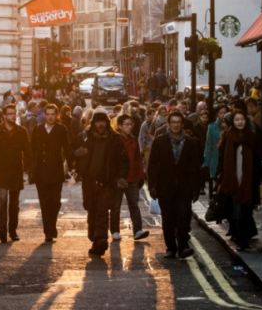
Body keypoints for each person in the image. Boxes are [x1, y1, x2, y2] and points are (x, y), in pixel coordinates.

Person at [72, 108, 128, 257]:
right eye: (98, 121)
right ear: (93, 122)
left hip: (107, 182)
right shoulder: (85, 136)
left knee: (102, 211)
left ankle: (101, 239)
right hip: (89, 181)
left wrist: (122, 177)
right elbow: (71, 149)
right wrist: (76, 154)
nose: (101, 124)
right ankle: (94, 240)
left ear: (107, 122)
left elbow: (123, 160)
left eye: (103, 121)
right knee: (92, 210)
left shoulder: (115, 138)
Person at [148, 109, 201, 259]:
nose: (176, 125)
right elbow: (152, 165)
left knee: (183, 216)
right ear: (168, 124)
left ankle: (183, 246)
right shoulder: (160, 141)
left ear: (183, 124)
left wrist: (196, 188)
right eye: (173, 122)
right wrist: (152, 185)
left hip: (184, 187)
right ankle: (171, 247)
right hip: (165, 187)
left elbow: (195, 167)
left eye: (179, 122)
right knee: (168, 219)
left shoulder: (190, 142)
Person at [0, 104, 32, 243]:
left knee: (14, 203)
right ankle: (2, 229)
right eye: (9, 114)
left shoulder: (22, 131)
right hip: (2, 170)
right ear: (4, 116)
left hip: (16, 171)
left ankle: (13, 230)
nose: (12, 116)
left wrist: (31, 171)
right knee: (2, 201)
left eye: (13, 113)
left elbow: (28, 153)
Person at [217, 109, 260, 250]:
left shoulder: (252, 137)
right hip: (233, 179)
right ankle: (240, 238)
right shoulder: (229, 137)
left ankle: (243, 235)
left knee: (247, 210)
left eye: (242, 119)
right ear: (233, 122)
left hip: (249, 180)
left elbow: (258, 159)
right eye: (237, 120)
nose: (240, 122)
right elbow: (222, 159)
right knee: (237, 210)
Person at [30, 104, 73, 242]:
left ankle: (52, 225)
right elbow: (31, 151)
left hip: (56, 170)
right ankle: (48, 231)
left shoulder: (61, 129)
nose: (50, 117)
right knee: (44, 202)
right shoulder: (37, 129)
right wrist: (30, 170)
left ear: (57, 115)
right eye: (47, 114)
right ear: (44, 115)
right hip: (41, 172)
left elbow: (66, 148)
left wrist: (72, 167)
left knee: (55, 202)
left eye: (53, 114)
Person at [114, 113, 150, 242]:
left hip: (133, 177)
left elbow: (138, 160)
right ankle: (115, 231)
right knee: (116, 206)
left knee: (134, 204)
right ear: (120, 126)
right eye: (127, 124)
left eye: (131, 124)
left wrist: (141, 175)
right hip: (118, 179)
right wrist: (116, 177)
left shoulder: (133, 140)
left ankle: (138, 230)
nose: (130, 127)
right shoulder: (115, 139)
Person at [203, 103, 228, 184]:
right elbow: (208, 144)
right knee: (215, 177)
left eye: (224, 113)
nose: (223, 115)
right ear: (217, 114)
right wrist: (206, 161)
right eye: (220, 113)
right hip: (215, 154)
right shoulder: (212, 126)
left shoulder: (231, 126)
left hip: (227, 154)